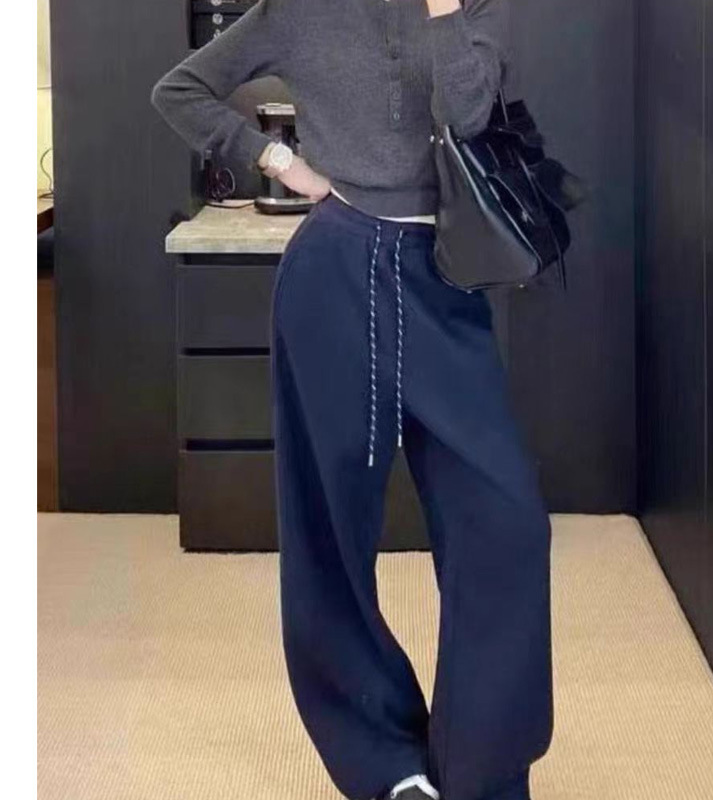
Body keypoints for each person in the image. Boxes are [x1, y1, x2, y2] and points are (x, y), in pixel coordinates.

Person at [151, 2, 553, 799]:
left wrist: (443, 12)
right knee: (328, 530)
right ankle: (384, 762)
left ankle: (482, 772)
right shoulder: (299, 9)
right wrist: (280, 162)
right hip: (336, 270)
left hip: (443, 281)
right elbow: (180, 90)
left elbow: (469, 115)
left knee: (507, 526)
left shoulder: (474, 5)